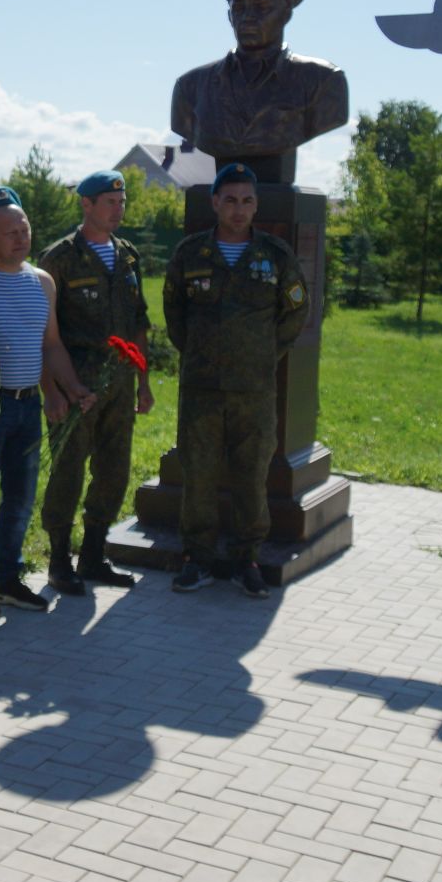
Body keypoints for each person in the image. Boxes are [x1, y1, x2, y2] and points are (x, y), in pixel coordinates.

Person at [161, 163, 306, 597]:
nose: (238, 209)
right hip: (201, 388)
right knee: (199, 474)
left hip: (254, 390)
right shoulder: (190, 254)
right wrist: (201, 352)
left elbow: (295, 311)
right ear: (215, 203)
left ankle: (247, 560)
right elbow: (174, 314)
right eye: (230, 200)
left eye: (246, 201)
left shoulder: (275, 255)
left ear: (256, 205)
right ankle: (198, 559)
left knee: (251, 476)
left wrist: (263, 352)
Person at [0, 186, 92, 623]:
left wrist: (67, 389)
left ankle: (8, 578)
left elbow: (49, 346)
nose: (21, 238)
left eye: (25, 229)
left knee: (20, 498)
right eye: (10, 231)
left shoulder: (42, 281)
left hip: (27, 406)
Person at [36, 170, 153, 595]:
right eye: (110, 202)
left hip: (119, 386)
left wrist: (143, 383)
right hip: (75, 386)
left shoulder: (127, 256)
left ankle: (93, 555)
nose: (118, 209)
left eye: (121, 202)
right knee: (67, 470)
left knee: (113, 470)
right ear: (86, 205)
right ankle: (58, 560)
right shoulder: (60, 259)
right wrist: (52, 389)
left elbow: (139, 322)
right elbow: (43, 332)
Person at [170, 0, 349, 167]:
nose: (247, 17)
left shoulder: (323, 81)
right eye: (239, 8)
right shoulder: (191, 87)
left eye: (262, 8)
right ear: (229, 16)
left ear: (286, 15)